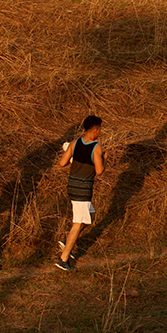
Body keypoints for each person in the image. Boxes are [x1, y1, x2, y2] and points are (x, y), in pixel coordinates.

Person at [55, 115, 105, 271]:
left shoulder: (74, 143)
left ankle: (67, 241)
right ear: (95, 130)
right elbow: (99, 170)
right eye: (99, 130)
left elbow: (62, 163)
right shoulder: (96, 147)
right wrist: (104, 158)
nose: (99, 133)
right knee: (78, 224)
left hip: (72, 186)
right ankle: (63, 259)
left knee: (90, 215)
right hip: (83, 190)